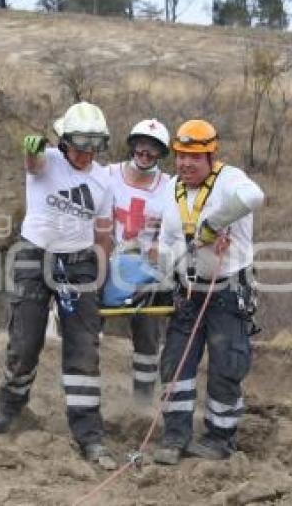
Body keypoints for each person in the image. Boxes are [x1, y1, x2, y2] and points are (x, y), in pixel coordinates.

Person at [0, 102, 118, 470]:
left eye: (92, 146)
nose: (85, 153)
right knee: (26, 340)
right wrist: (29, 148)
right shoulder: (46, 161)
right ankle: (9, 409)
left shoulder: (104, 180)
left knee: (83, 349)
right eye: (78, 145)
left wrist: (101, 276)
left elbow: (105, 232)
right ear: (63, 142)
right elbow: (32, 162)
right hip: (35, 257)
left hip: (80, 264)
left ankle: (89, 434)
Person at [152, 119, 264, 465]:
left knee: (226, 366)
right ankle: (175, 435)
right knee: (176, 364)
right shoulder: (171, 188)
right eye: (181, 156)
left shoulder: (229, 180)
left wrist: (215, 223)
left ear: (210, 157)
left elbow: (254, 197)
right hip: (189, 291)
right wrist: (167, 261)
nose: (185, 164)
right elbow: (166, 241)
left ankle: (221, 437)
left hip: (227, 292)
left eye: (194, 158)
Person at [102, 119, 174, 403]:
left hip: (146, 269)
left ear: (161, 153)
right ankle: (88, 396)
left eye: (153, 149)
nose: (145, 153)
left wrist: (161, 246)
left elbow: (175, 227)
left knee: (147, 333)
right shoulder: (108, 174)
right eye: (141, 146)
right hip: (106, 262)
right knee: (86, 327)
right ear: (132, 145)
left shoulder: (169, 186)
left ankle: (142, 401)